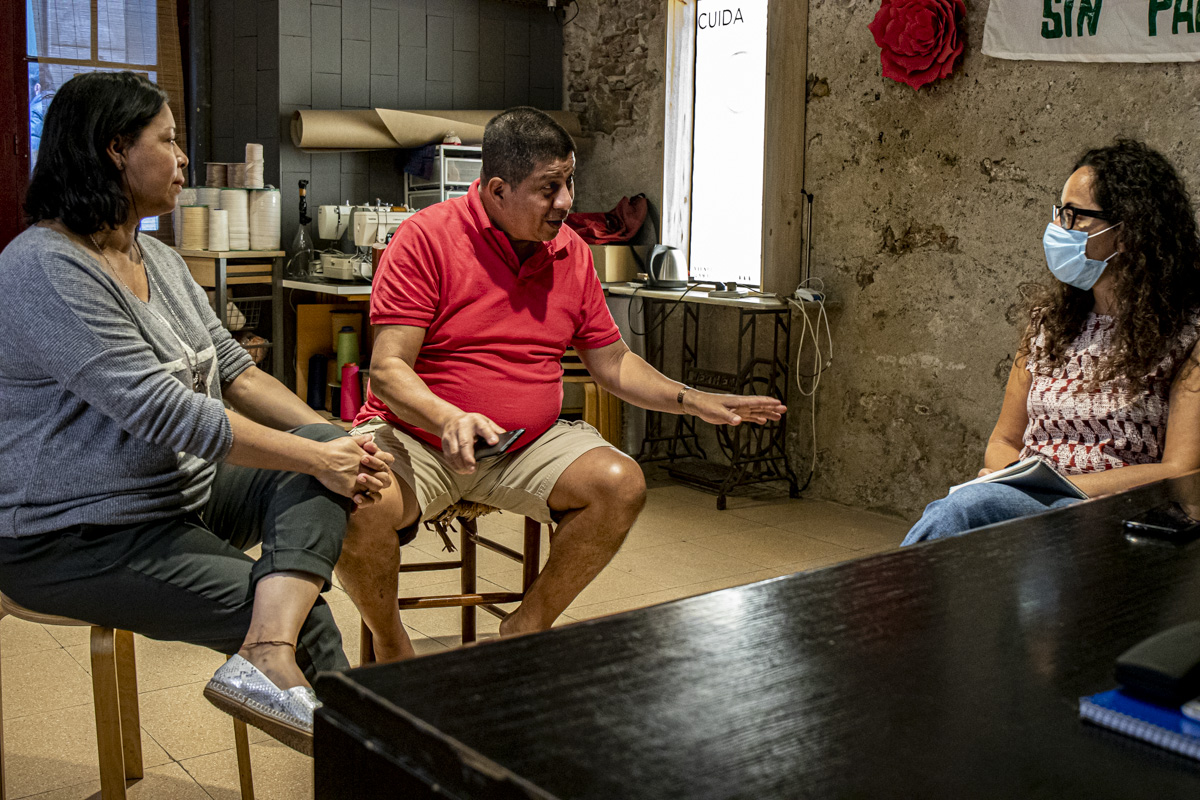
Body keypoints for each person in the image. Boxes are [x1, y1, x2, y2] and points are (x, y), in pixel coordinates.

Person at [0, 71, 394, 755]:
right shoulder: (45, 268)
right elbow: (168, 414)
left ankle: (264, 652)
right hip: (74, 533)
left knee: (323, 451)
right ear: (115, 149)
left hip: (174, 498)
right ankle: (366, 769)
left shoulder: (156, 255)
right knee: (309, 620)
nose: (183, 159)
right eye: (169, 141)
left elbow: (237, 373)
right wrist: (317, 454)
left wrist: (336, 441)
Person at [336, 107, 787, 662]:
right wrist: (448, 417)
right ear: (498, 190)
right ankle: (391, 643)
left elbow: (613, 361)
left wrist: (691, 399)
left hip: (524, 444)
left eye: (570, 182)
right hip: (420, 437)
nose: (567, 201)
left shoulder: (570, 250)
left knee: (620, 483)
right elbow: (388, 369)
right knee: (355, 501)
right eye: (549, 187)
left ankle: (526, 626)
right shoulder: (426, 238)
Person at [903, 139, 1200, 545]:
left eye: (1075, 216)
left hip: (1114, 512)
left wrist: (1065, 488)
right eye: (1059, 212)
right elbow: (1004, 440)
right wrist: (1012, 479)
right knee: (966, 508)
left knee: (969, 512)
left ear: (1127, 233)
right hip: (1031, 500)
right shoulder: (1049, 324)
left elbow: (1182, 471)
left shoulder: (1187, 334)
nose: (1059, 227)